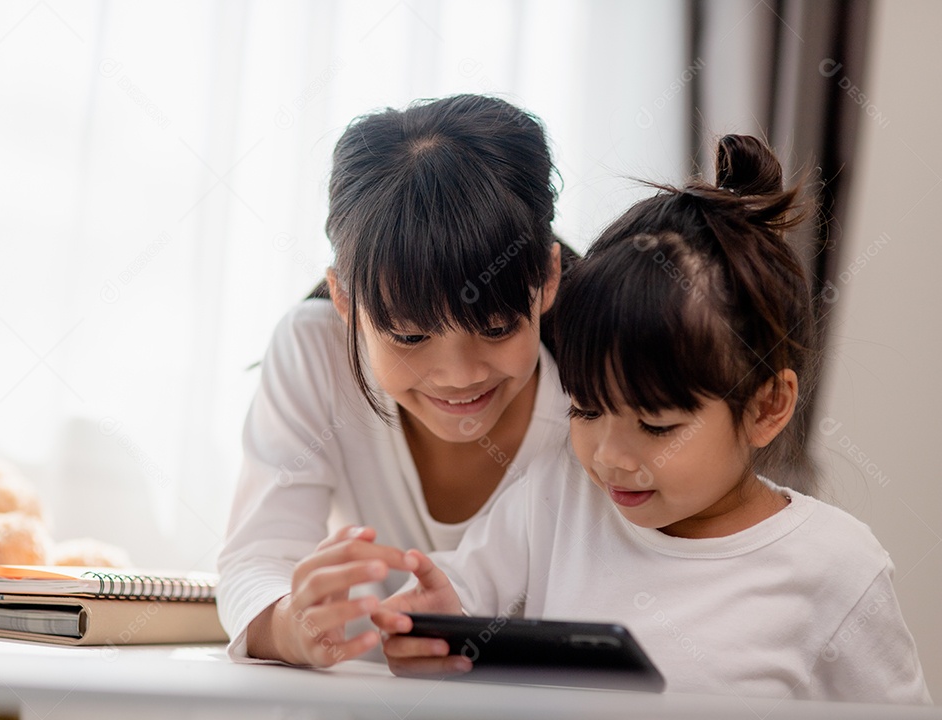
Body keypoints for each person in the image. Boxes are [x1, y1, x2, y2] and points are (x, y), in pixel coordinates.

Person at [372, 135, 931, 703]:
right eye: (586, 409)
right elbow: (462, 591)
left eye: (657, 426)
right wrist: (436, 623)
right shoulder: (561, 493)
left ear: (767, 407)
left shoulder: (836, 567)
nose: (608, 456)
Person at [216, 94, 574, 666]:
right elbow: (257, 557)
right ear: (343, 298)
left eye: (499, 327)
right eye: (409, 338)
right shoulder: (315, 351)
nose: (459, 375)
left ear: (548, 278)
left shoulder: (599, 389)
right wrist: (289, 626)